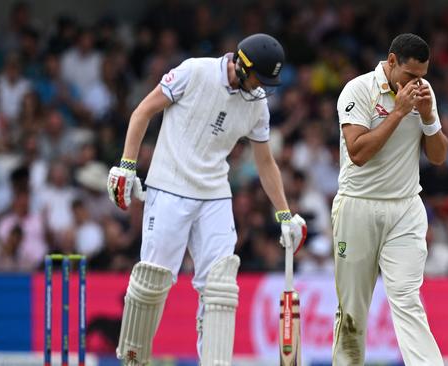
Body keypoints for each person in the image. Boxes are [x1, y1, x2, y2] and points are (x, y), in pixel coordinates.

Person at [106, 33, 307, 366]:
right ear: (241, 65)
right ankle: (133, 360)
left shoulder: (257, 103)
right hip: (169, 186)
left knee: (220, 287)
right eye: (259, 77)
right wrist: (127, 165)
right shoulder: (195, 72)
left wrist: (285, 214)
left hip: (214, 193)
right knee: (152, 281)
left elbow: (265, 161)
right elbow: (143, 111)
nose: (263, 87)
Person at [332, 33, 448, 365]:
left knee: (408, 299)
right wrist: (398, 113)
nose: (417, 84)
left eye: (423, 77)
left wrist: (427, 117)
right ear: (392, 61)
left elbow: (439, 156)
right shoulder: (358, 90)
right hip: (358, 204)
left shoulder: (423, 93)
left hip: (405, 208)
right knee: (352, 310)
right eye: (411, 76)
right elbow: (357, 153)